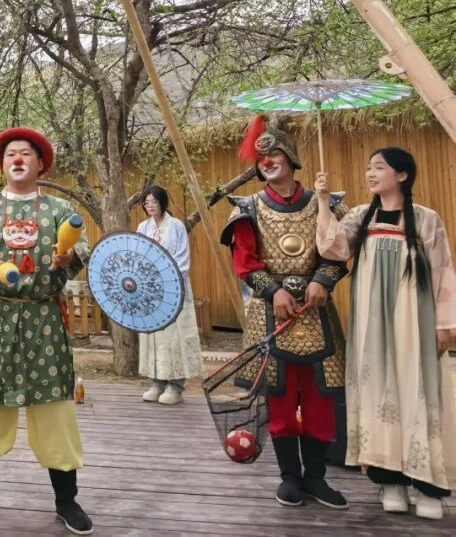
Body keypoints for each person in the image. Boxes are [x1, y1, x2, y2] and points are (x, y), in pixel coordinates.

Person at [0, 126, 92, 535]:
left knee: (55, 411)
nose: (17, 159)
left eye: (26, 154)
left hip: (43, 319)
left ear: (40, 164)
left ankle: (66, 500)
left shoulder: (59, 210)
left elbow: (82, 249)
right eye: (10, 154)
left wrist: (70, 257)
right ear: (2, 164)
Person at [316, 147, 455, 520]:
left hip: (414, 321)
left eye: (379, 167)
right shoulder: (361, 217)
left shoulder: (425, 218)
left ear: (402, 175)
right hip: (371, 324)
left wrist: (444, 325)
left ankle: (427, 486)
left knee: (417, 390)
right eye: (368, 168)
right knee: (378, 390)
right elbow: (332, 247)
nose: (371, 173)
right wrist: (324, 201)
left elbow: (443, 271)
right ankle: (390, 482)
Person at [221, 117, 349, 509]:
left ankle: (316, 478)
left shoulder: (325, 204)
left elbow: (338, 250)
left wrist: (323, 280)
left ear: (291, 158)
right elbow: (245, 262)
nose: (268, 161)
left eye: (275, 153)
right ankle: (290, 477)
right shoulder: (248, 208)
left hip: (316, 312)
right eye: (262, 157)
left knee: (320, 399)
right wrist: (273, 290)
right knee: (279, 398)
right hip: (270, 313)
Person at [136, 186, 202, 405]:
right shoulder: (142, 227)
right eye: (146, 202)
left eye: (154, 201)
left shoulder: (176, 226)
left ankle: (175, 386)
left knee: (174, 337)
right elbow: (137, 256)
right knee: (153, 337)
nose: (150, 205)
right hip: (150, 291)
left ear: (162, 202)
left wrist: (164, 277)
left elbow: (182, 259)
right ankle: (156, 382)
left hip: (173, 289)